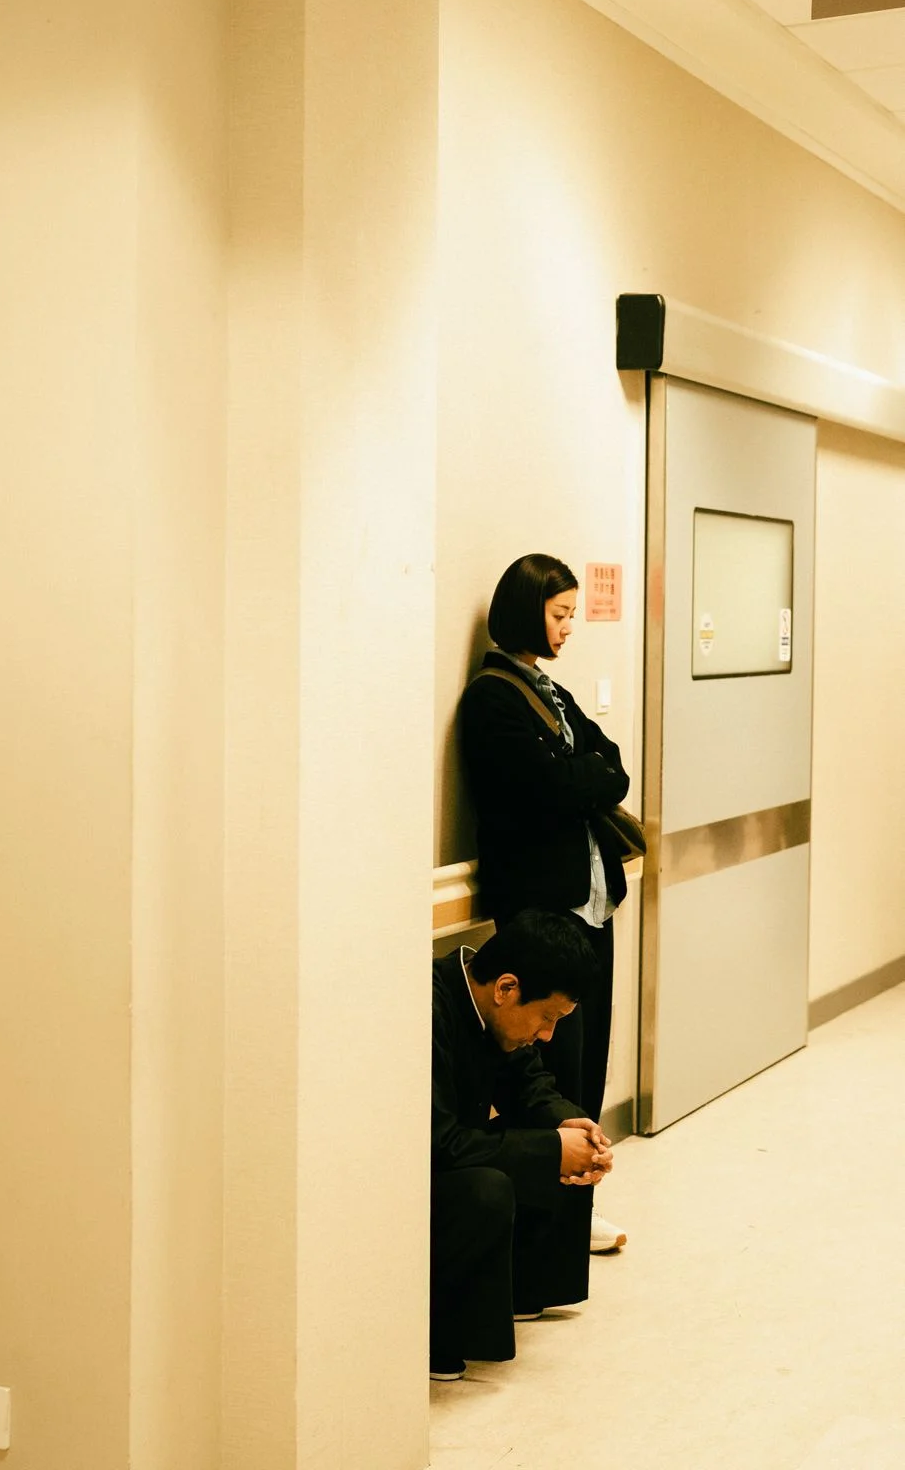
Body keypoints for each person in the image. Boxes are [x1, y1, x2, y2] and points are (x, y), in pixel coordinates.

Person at [459, 553, 631, 1253]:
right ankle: (549, 1221)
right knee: (549, 1073)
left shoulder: (552, 694)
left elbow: (612, 768)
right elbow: (550, 789)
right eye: (560, 614)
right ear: (526, 611)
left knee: (588, 1065)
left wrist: (580, 774)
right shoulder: (492, 700)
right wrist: (578, 776)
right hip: (542, 912)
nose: (568, 628)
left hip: (590, 906)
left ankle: (578, 1203)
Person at [430, 910, 613, 1381]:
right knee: (493, 1184)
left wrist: (570, 1126)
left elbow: (531, 1087)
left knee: (568, 1145)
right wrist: (552, 1150)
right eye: (547, 1017)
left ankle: (527, 1292)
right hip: (408, 1174)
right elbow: (437, 1143)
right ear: (506, 988)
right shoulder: (427, 1009)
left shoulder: (491, 1007)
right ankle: (439, 1336)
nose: (547, 1034)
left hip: (447, 1149)